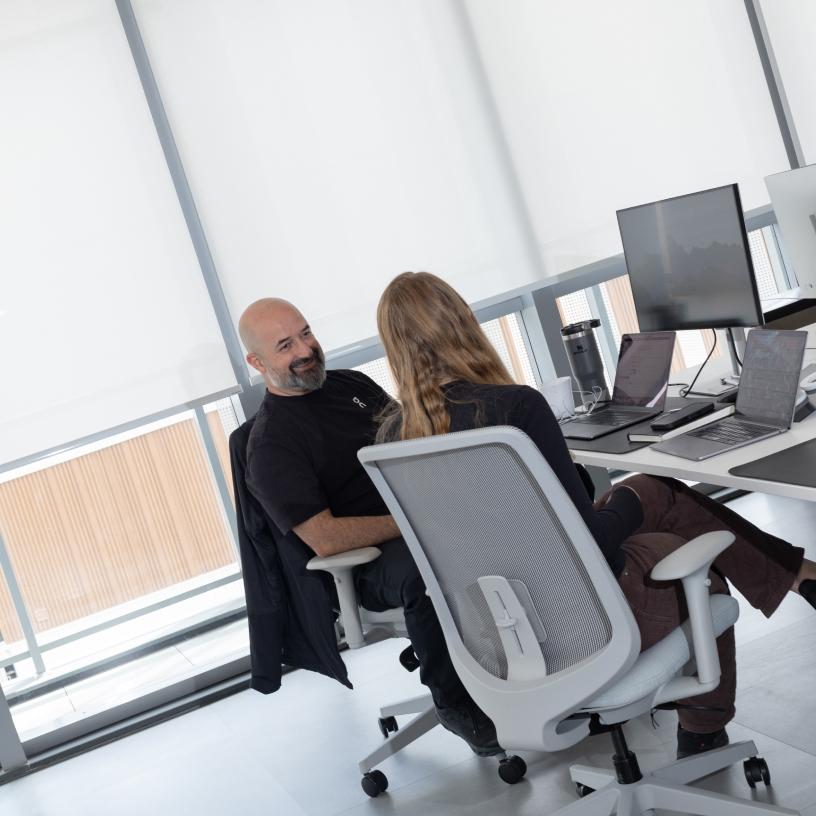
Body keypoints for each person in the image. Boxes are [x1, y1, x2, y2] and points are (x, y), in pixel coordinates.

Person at [375, 271, 816, 760]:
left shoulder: (392, 440)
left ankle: (793, 577)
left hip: (499, 642)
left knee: (655, 494)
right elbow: (597, 550)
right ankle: (704, 729)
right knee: (687, 538)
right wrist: (634, 500)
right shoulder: (514, 408)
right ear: (462, 326)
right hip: (590, 626)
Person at [237, 297, 502, 755]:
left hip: (422, 518)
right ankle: (454, 701)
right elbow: (324, 537)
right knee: (429, 573)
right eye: (285, 345)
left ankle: (552, 659)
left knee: (526, 509)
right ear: (257, 363)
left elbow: (413, 441)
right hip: (367, 562)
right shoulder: (270, 446)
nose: (305, 349)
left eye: (305, 333)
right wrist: (414, 519)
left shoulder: (351, 385)